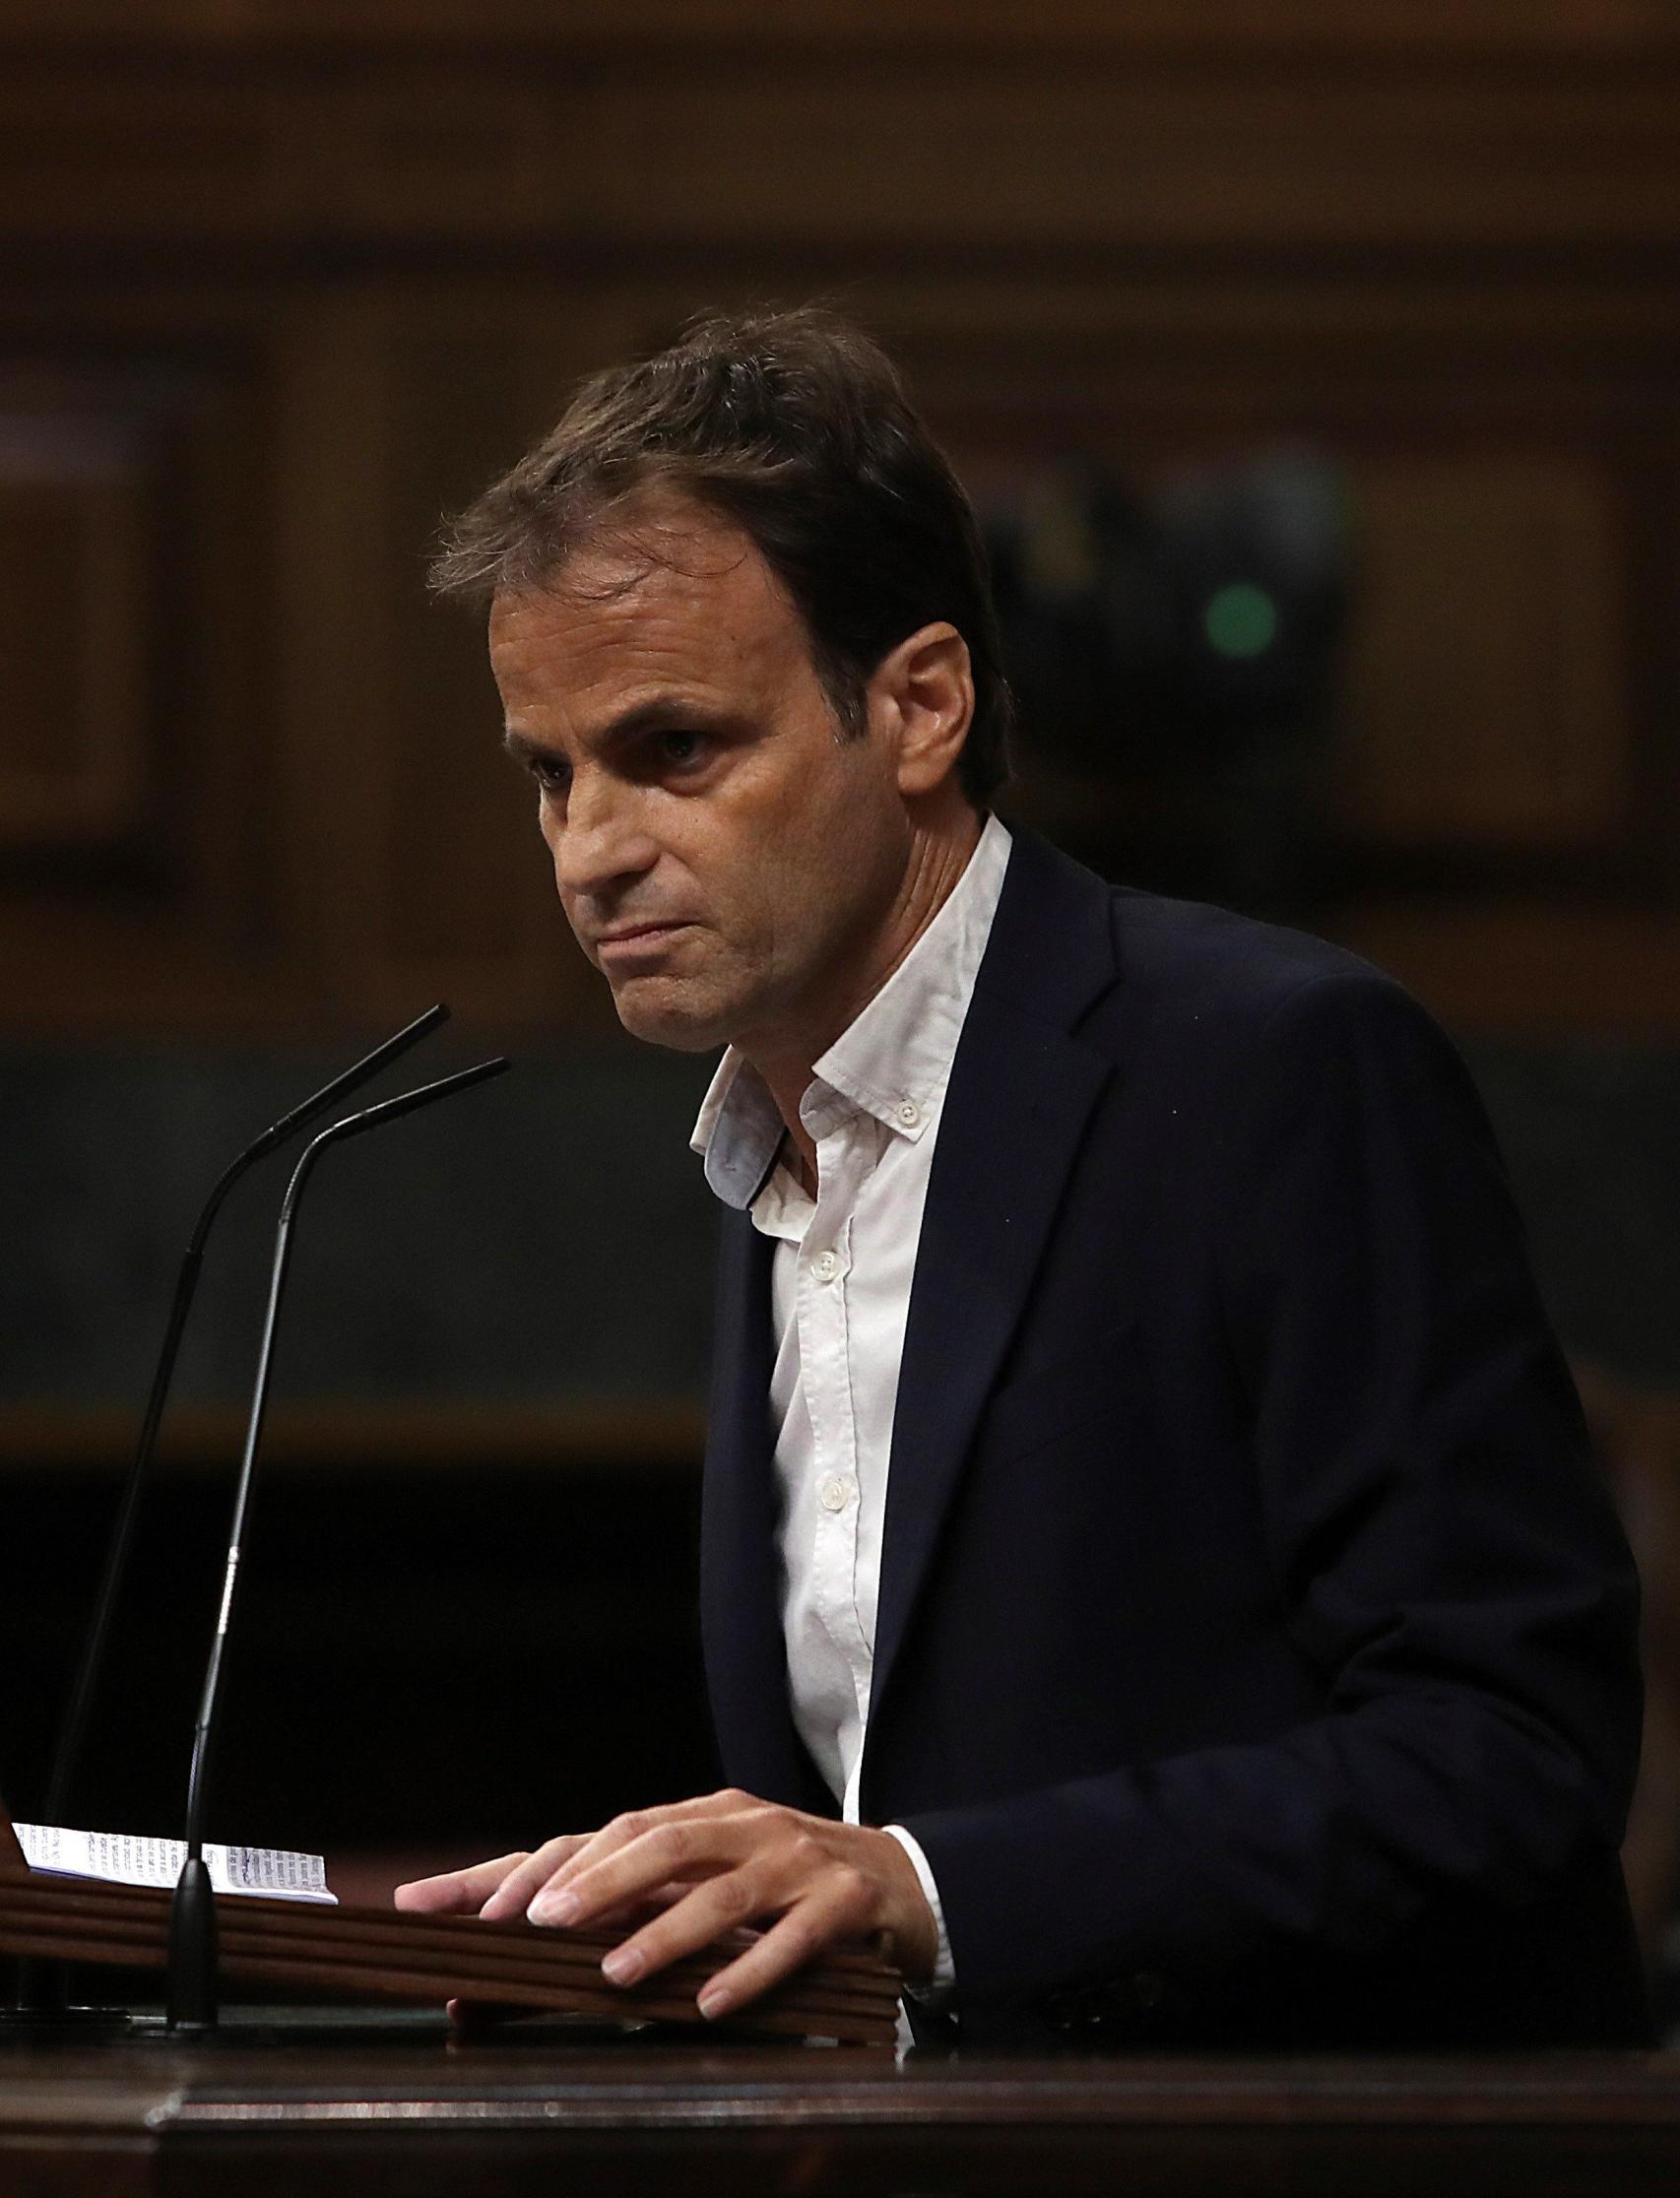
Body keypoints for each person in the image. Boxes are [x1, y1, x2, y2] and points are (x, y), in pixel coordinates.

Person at [396, 307, 1648, 2048]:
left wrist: (926, 1890)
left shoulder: (1272, 1067)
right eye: (552, 774)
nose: (593, 851)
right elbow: (871, 1797)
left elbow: (1505, 1754)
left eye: (674, 749)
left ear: (916, 704)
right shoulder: (776, 1141)